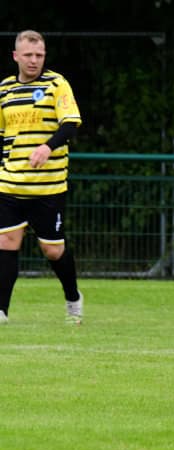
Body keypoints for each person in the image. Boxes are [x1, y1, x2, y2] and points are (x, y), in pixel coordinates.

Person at [0, 30, 83, 324]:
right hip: (10, 183)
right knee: (6, 242)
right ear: (16, 56)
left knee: (52, 250)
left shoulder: (56, 84)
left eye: (39, 55)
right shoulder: (5, 89)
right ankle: (1, 311)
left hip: (48, 187)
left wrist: (48, 147)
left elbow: (70, 124)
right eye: (28, 55)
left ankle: (73, 298)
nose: (34, 60)